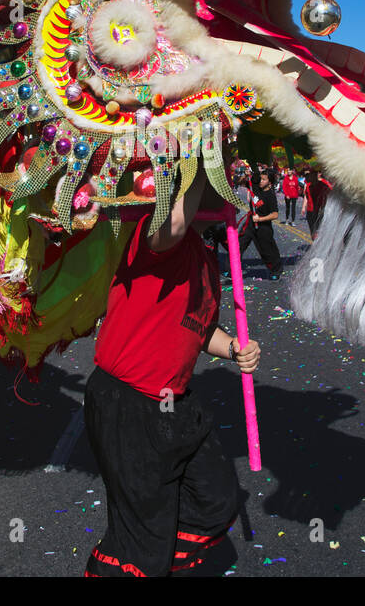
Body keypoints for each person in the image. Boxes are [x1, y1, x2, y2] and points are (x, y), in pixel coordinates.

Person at [82, 172, 260, 576]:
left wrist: (233, 349)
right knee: (144, 538)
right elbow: (174, 225)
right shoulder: (154, 234)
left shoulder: (201, 254)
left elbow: (199, 326)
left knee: (217, 500)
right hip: (126, 402)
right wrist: (201, 156)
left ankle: (152, 559)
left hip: (173, 402)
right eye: (219, 178)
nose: (226, 184)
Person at [236, 169, 282, 280]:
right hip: (250, 223)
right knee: (239, 244)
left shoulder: (270, 196)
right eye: (261, 178)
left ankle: (275, 270)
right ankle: (231, 269)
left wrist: (260, 219)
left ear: (270, 182)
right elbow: (241, 182)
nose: (260, 181)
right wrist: (245, 176)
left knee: (267, 250)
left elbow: (275, 215)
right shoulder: (255, 187)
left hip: (263, 227)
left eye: (264, 179)